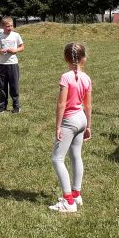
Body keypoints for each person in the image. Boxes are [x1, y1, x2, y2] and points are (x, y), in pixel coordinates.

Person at [49, 42, 92, 213]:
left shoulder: (66, 77)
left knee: (57, 159)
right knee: (76, 156)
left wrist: (58, 126)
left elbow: (61, 104)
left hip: (69, 121)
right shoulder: (87, 78)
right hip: (81, 119)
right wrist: (88, 126)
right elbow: (88, 105)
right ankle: (76, 194)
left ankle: (68, 201)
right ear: (84, 58)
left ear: (66, 58)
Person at [0, 16, 24, 113]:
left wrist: (15, 50)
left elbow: (22, 47)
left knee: (14, 86)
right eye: (7, 26)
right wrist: (0, 51)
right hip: (2, 64)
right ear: (2, 26)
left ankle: (16, 107)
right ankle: (2, 107)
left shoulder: (16, 35)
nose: (10, 28)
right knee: (2, 86)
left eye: (11, 26)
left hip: (13, 64)